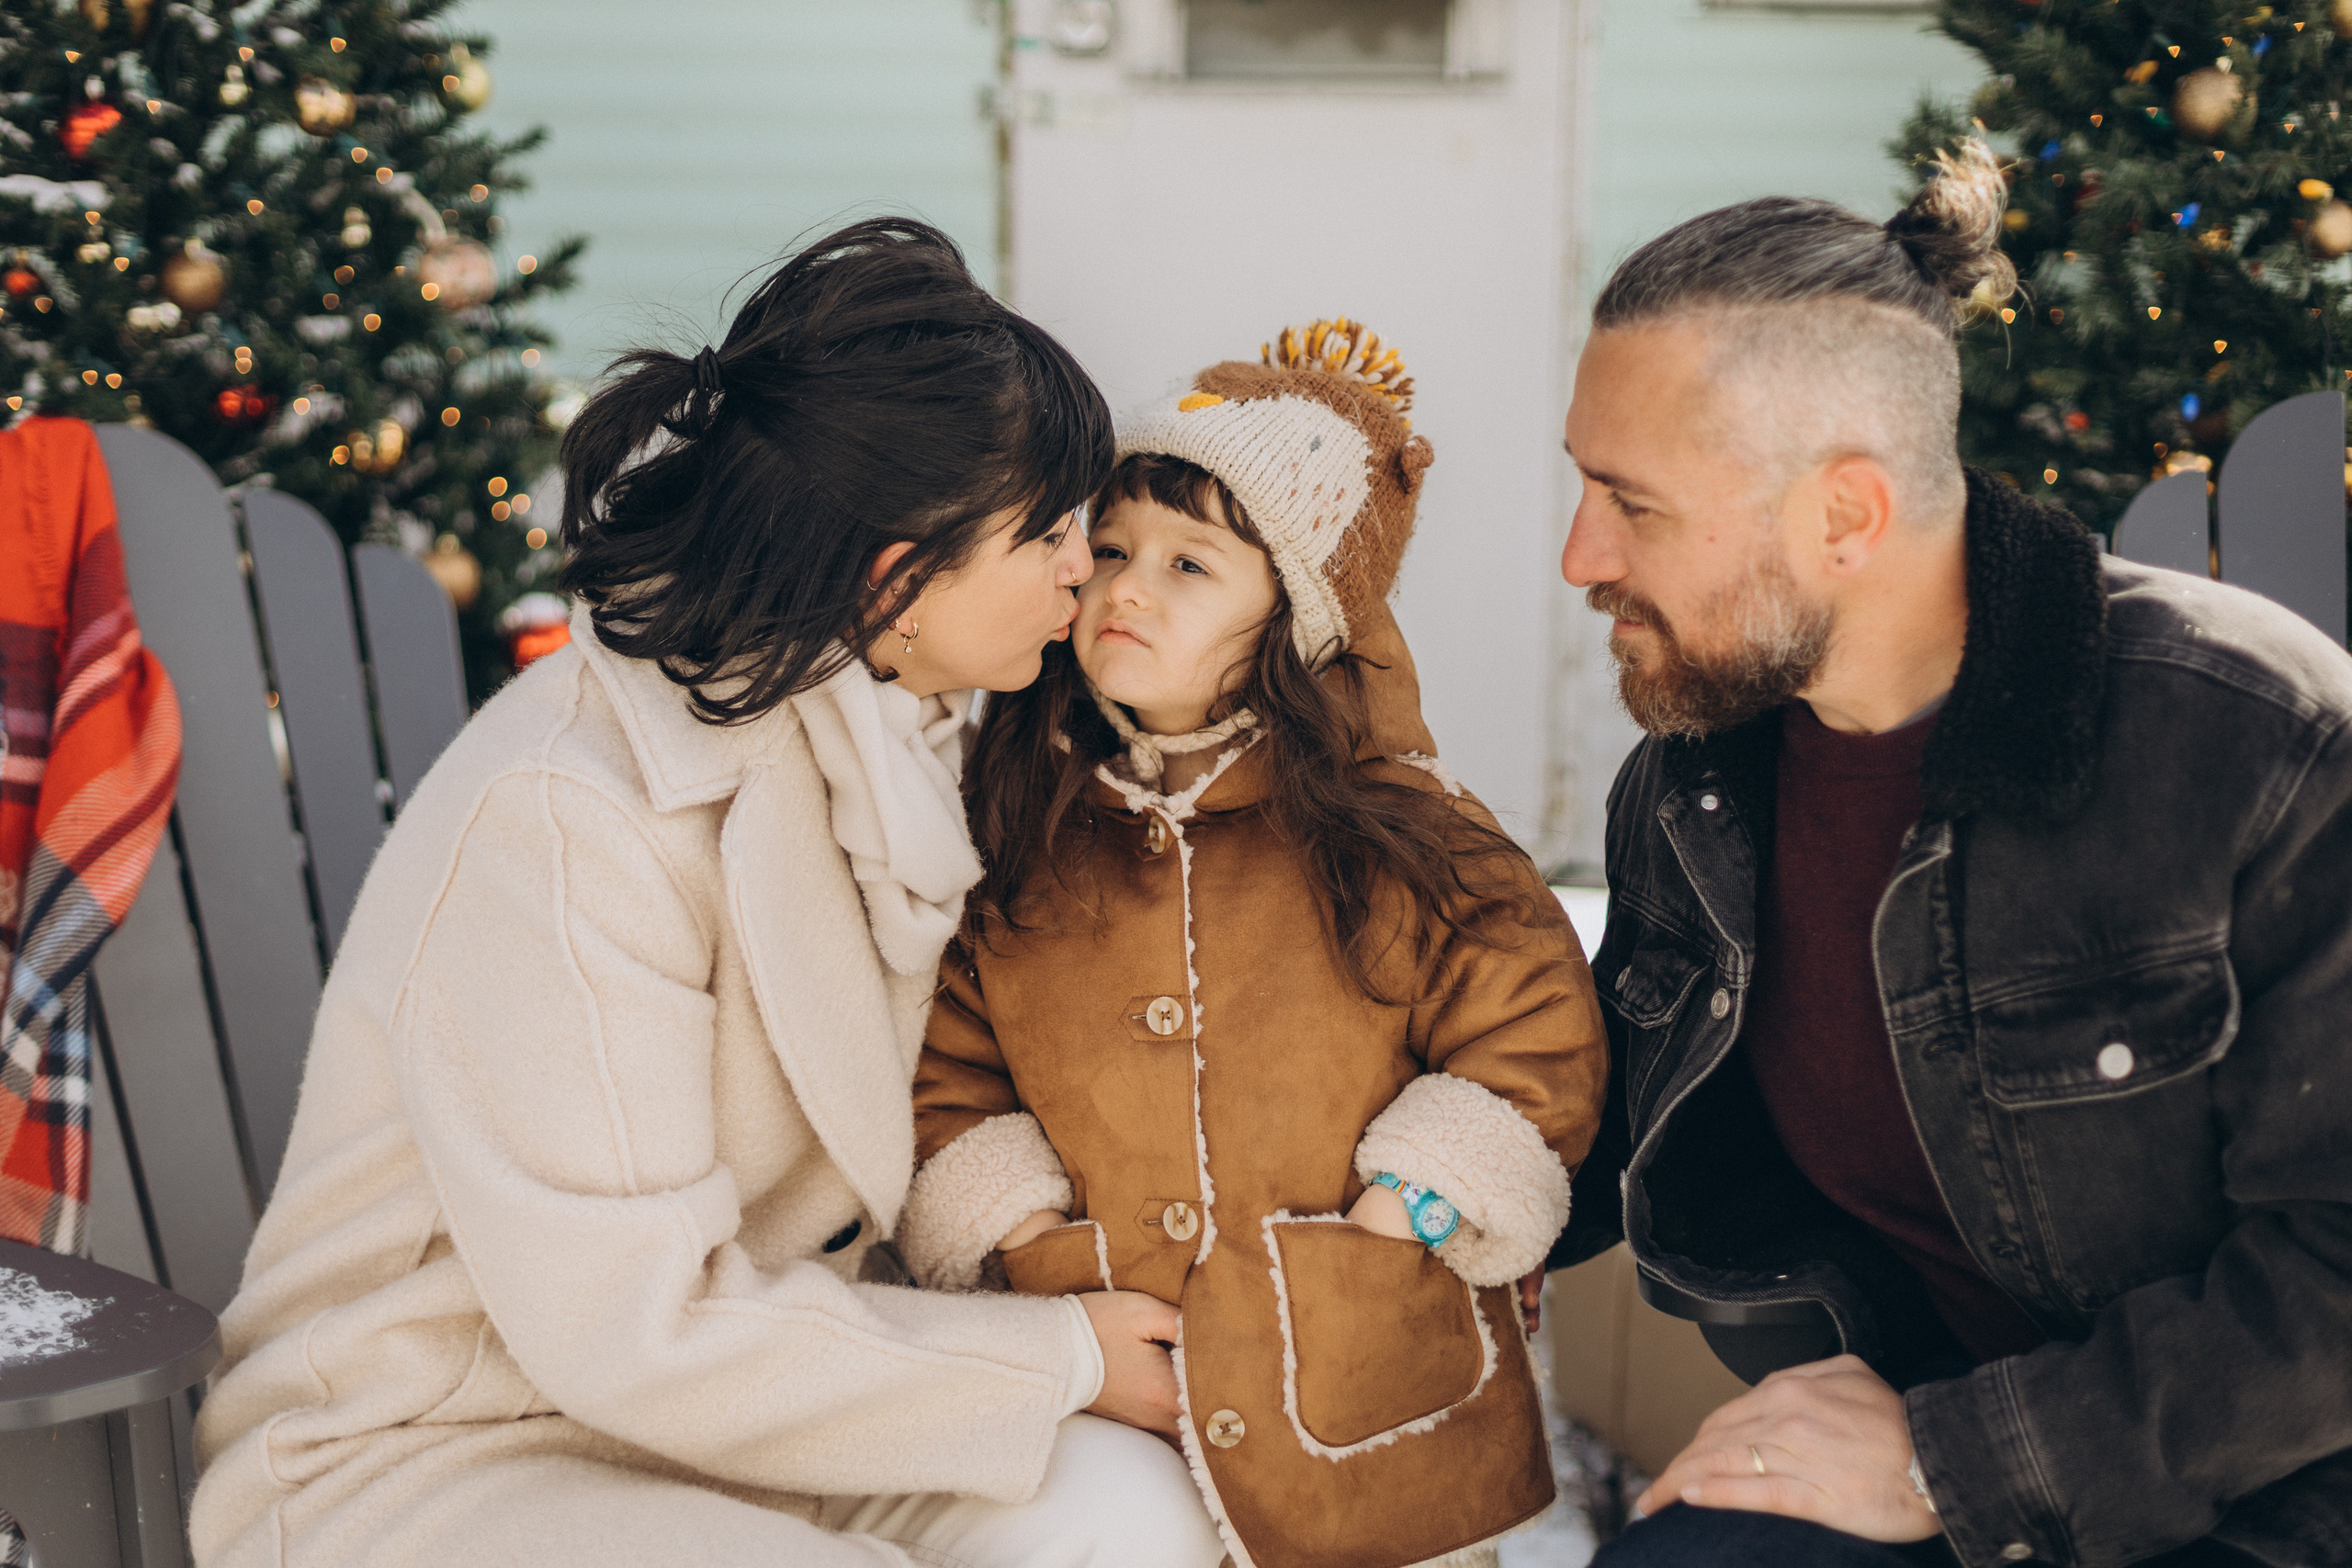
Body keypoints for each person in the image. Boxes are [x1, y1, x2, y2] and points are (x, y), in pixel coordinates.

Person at [188, 219, 1227, 1568]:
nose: (1082, 569)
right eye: (1047, 532)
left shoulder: (898, 737)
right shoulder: (576, 813)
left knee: (1126, 1517)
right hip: (449, 1444)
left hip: (750, 1415)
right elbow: (632, 1325)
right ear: (895, 574)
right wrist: (1055, 1358)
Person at [1551, 141, 2352, 1568]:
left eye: (1637, 504)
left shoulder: (2261, 745)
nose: (1580, 557)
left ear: (1848, 513)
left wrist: (1950, 1461)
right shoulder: (1703, 786)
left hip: (2257, 1496)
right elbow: (1577, 1111)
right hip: (1915, 1446)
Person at [899, 321, 1611, 1568]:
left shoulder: (1405, 842)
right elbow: (947, 1075)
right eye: (1109, 551)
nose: (1125, 588)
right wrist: (1023, 1240)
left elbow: (1533, 1035)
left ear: (1298, 617)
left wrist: (1410, 1217)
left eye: (1192, 567)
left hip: (1368, 1399)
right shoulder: (1023, 841)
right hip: (1125, 1371)